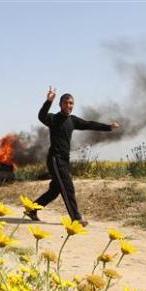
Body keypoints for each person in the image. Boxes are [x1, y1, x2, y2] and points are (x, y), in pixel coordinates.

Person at [26, 87, 120, 226]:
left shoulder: (72, 120)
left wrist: (108, 127)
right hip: (55, 158)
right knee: (68, 187)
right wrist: (48, 101)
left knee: (55, 190)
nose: (69, 105)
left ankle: (32, 209)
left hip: (64, 159)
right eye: (66, 102)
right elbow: (41, 116)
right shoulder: (53, 119)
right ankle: (76, 218)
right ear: (60, 104)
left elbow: (89, 124)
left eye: (71, 103)